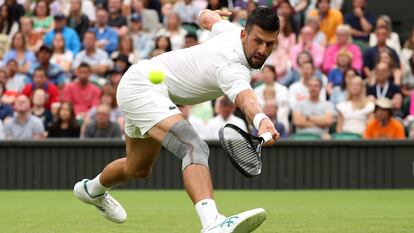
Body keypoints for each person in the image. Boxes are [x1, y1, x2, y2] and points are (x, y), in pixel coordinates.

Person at [73, 7, 280, 233]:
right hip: (142, 86)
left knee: (137, 168)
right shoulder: (233, 67)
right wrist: (261, 119)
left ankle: (91, 190)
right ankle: (212, 222)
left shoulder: (229, 30)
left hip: (146, 85)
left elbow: (205, 17)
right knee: (193, 146)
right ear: (244, 34)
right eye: (257, 41)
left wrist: (211, 13)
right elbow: (246, 99)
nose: (262, 49)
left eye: (269, 44)